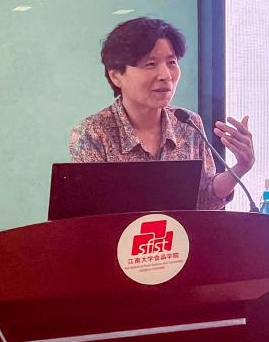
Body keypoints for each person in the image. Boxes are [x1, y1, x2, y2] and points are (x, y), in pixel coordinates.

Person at [69, 17, 254, 210]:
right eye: (150, 64)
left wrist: (241, 167)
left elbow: (204, 200)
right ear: (116, 76)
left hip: (181, 231)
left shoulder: (188, 123)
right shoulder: (92, 133)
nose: (166, 75)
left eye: (172, 62)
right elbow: (91, 214)